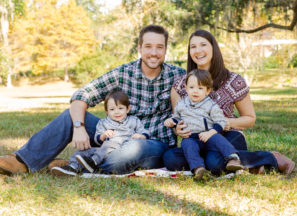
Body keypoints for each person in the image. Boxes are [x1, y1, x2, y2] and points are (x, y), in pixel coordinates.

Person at [0, 24, 186, 176]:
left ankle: (77, 164)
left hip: (151, 143)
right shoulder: (123, 73)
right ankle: (22, 161)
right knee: (69, 117)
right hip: (113, 136)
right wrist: (79, 127)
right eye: (148, 46)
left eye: (159, 47)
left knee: (130, 151)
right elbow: (82, 95)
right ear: (139, 48)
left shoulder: (177, 76)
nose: (154, 52)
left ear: (165, 50)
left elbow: (202, 98)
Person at [163, 29, 295, 175]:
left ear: (214, 48)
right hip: (196, 138)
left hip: (228, 135)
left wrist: (221, 123)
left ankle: (271, 157)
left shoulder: (234, 80)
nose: (198, 50)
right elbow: (178, 118)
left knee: (214, 162)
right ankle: (251, 165)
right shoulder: (180, 85)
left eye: (203, 45)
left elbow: (250, 119)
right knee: (171, 159)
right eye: (193, 47)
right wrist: (178, 129)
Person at [164, 69, 243, 180]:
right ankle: (198, 169)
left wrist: (211, 132)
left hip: (208, 136)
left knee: (217, 138)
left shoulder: (211, 105)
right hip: (191, 137)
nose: (195, 91)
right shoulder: (182, 104)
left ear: (207, 91)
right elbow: (177, 118)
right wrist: (172, 122)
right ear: (186, 89)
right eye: (191, 87)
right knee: (186, 144)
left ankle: (233, 158)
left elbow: (221, 121)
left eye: (200, 88)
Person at [51, 89, 149, 176]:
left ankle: (93, 162)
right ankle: (72, 167)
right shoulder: (103, 123)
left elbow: (143, 131)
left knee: (109, 144)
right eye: (112, 109)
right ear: (106, 111)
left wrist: (141, 136)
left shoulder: (133, 120)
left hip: (122, 149)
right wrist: (103, 135)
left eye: (120, 108)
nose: (117, 112)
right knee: (83, 152)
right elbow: (97, 139)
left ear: (128, 109)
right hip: (103, 150)